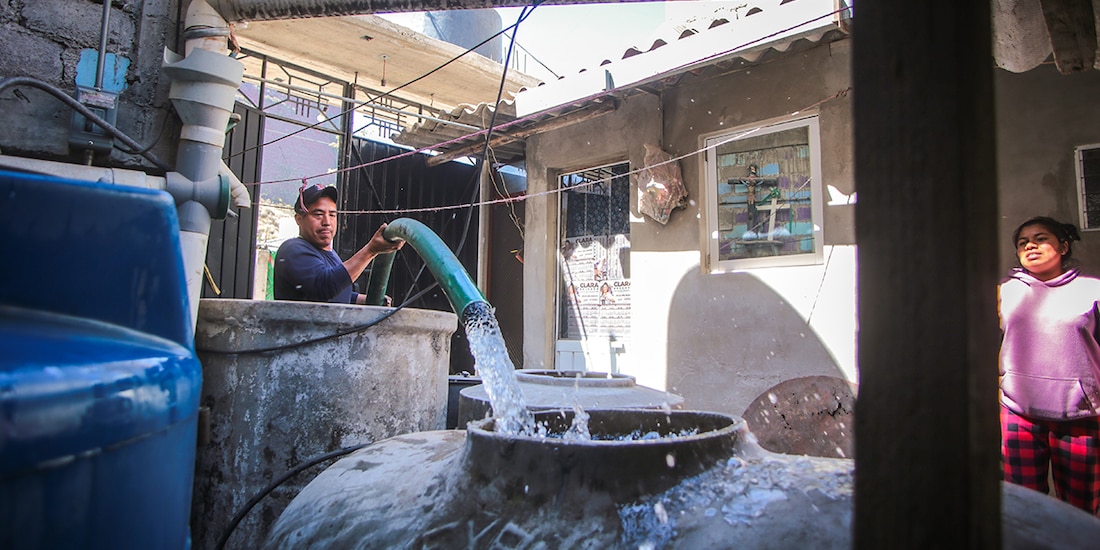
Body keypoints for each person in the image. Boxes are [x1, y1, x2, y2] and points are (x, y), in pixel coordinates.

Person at [998, 216, 1100, 516]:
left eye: (1041, 238)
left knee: (1079, 510)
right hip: (1019, 414)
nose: (1030, 245)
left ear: (1063, 246)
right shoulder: (1004, 293)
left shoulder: (1092, 291)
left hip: (1080, 414)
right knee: (1024, 506)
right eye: (1022, 242)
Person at [273, 183, 403, 305]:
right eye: (318, 215)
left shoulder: (328, 253)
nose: (327, 222)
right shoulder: (292, 250)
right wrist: (371, 250)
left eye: (332, 215)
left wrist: (367, 300)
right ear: (299, 219)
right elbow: (326, 288)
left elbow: (338, 294)